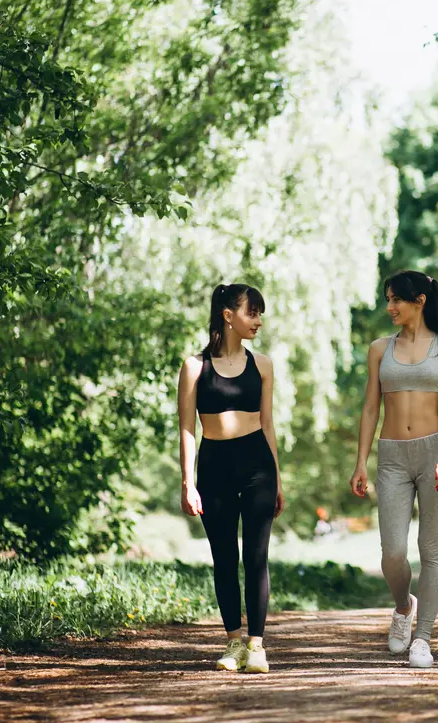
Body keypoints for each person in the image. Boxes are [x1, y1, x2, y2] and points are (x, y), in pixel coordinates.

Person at [350, 270, 438, 669]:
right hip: (392, 456)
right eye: (388, 299)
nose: (389, 307)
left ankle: (423, 638)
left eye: (396, 299)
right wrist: (361, 460)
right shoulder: (380, 348)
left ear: (420, 301)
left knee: (431, 551)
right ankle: (403, 607)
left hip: (434, 452)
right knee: (393, 551)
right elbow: (370, 408)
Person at [177, 283, 284, 674]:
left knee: (257, 557)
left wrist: (278, 478)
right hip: (215, 467)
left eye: (259, 313)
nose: (258, 320)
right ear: (228, 315)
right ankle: (233, 642)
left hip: (258, 464)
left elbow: (269, 425)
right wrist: (188, 481)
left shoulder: (263, 364)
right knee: (225, 558)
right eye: (251, 312)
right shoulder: (193, 367)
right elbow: (187, 428)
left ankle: (257, 646)